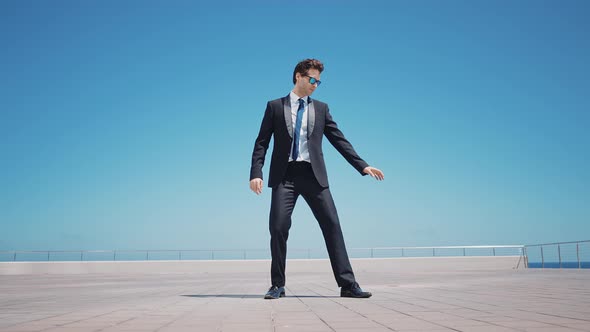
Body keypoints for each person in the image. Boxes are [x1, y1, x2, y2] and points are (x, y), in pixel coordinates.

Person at [249, 58, 384, 300]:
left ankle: (348, 285)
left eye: (319, 82)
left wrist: (362, 165)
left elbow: (339, 140)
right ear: (298, 76)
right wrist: (256, 173)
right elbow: (261, 143)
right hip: (284, 177)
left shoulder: (321, 108)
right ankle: (277, 285)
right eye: (312, 79)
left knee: (332, 226)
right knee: (278, 228)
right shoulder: (274, 106)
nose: (315, 84)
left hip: (314, 177)